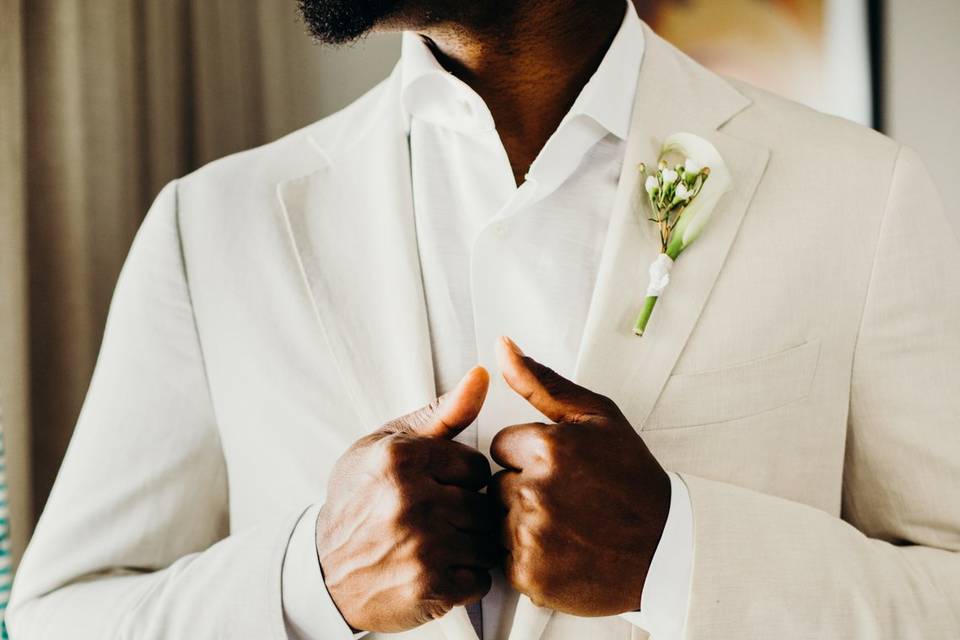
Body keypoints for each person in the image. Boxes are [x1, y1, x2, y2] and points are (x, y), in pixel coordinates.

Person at [9, 0, 960, 638]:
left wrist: (681, 553)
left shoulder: (858, 196)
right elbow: (60, 619)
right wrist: (314, 579)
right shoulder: (211, 222)